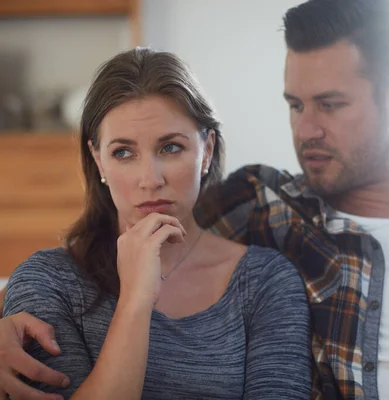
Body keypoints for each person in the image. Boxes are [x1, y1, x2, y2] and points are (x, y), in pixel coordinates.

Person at [0, 0, 389, 399]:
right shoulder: (272, 205)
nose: (305, 128)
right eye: (294, 104)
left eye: (330, 105)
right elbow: (125, 230)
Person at [0, 48, 312, 400]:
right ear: (98, 161)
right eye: (123, 152)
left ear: (206, 151)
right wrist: (135, 299)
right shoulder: (47, 281)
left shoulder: (266, 281)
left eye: (170, 148)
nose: (150, 179)